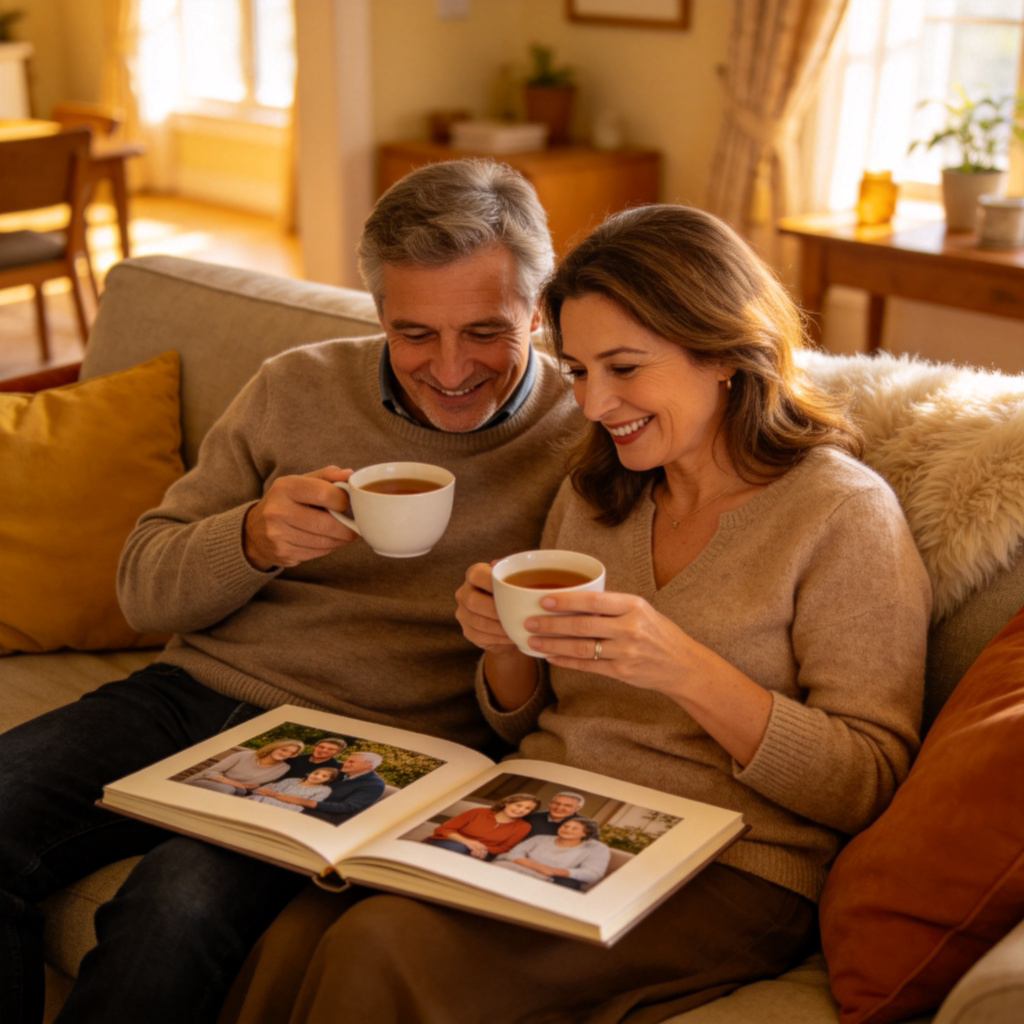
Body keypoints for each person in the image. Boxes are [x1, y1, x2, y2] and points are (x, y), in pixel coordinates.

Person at [217, 204, 931, 1024]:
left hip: (734, 865)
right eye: (579, 370)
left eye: (624, 368)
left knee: (383, 944)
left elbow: (868, 781)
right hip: (549, 814)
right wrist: (502, 649)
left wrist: (684, 668)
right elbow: (533, 722)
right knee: (302, 926)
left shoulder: (839, 514)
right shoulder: (602, 492)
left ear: (725, 351)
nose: (594, 405)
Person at [0, 157, 582, 1024]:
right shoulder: (295, 384)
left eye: (487, 332)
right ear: (379, 312)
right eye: (415, 332)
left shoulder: (584, 438)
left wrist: (504, 646)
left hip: (378, 747)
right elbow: (142, 591)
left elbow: (540, 710)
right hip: (188, 696)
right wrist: (250, 539)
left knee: (172, 912)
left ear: (538, 312)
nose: (451, 368)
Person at [268, 751, 386, 825]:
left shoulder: (374, 785)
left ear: (368, 766)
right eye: (346, 760)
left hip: (327, 817)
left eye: (351, 762)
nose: (345, 763)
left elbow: (347, 807)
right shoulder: (341, 773)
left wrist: (300, 801)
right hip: (304, 805)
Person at [493, 816, 610, 889]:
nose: (567, 829)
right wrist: (538, 866)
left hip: (552, 878)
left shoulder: (596, 848)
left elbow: (592, 874)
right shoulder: (540, 838)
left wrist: (553, 871)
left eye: (574, 828)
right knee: (499, 866)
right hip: (522, 868)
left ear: (585, 834)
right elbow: (514, 854)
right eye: (566, 826)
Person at [422, 793, 540, 858]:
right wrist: (467, 842)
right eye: (518, 805)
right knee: (461, 849)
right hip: (447, 843)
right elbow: (444, 829)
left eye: (527, 808)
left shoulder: (524, 827)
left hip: (481, 853)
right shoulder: (478, 812)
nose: (520, 810)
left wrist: (481, 848)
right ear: (507, 803)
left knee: (470, 857)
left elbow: (505, 848)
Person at [184, 739, 305, 795]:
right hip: (205, 782)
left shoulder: (283, 768)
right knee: (229, 790)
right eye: (284, 750)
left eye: (292, 753)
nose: (286, 754)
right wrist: (237, 784)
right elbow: (211, 772)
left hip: (236, 791)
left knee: (237, 792)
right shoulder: (245, 755)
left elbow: (255, 786)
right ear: (275, 747)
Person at [247, 768, 339, 812]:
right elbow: (269, 790)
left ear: (328, 780)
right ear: (310, 772)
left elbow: (309, 803)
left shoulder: (324, 789)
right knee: (258, 797)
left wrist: (274, 795)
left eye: (324, 776)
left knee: (262, 799)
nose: (318, 777)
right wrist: (273, 794)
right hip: (271, 800)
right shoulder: (292, 780)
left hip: (293, 808)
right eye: (316, 773)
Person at [521, 790, 585, 836]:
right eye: (557, 803)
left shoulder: (585, 826)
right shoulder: (532, 817)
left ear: (577, 808)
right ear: (550, 803)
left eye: (567, 805)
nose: (559, 808)